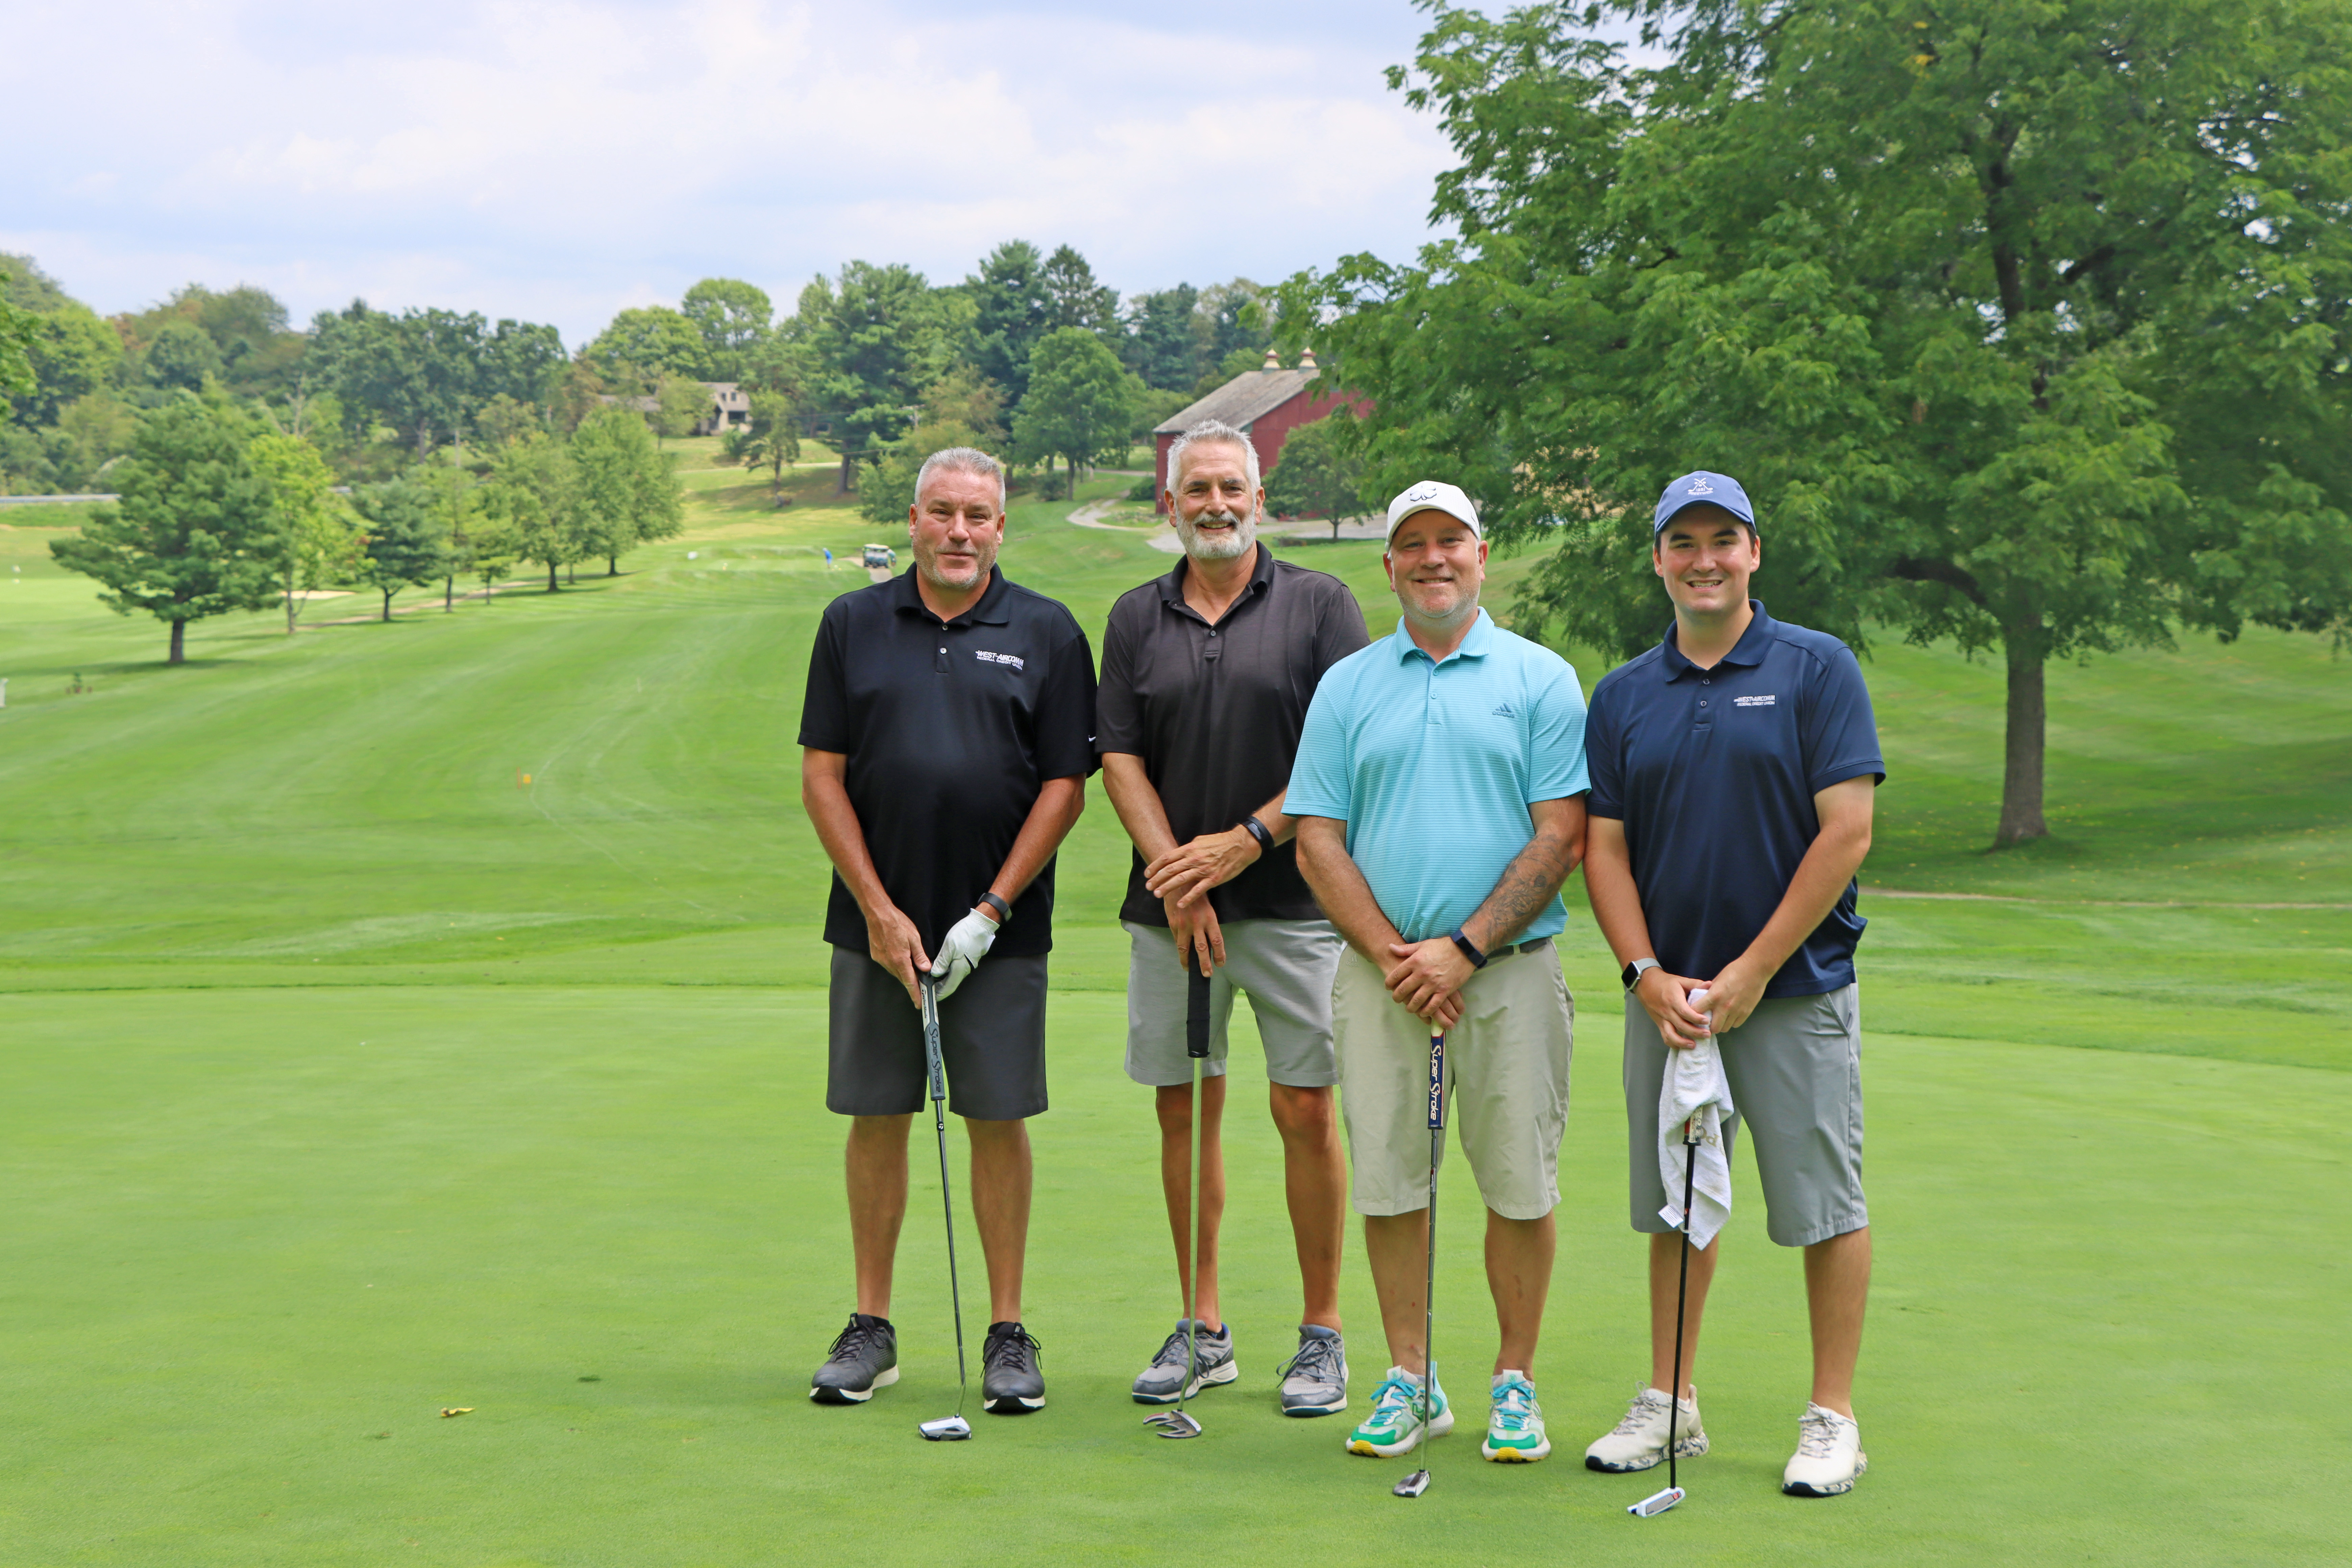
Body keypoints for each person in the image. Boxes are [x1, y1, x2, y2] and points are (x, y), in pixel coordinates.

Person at [1577, 471, 1882, 1497]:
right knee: (1676, 1204)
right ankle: (1672, 1402)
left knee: (1824, 1206)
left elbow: (1847, 830)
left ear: (1755, 551)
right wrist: (1643, 973)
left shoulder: (1814, 668)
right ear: (1658, 558)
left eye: (1723, 539)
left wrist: (1752, 971)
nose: (1703, 559)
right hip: (1669, 1006)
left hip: (1791, 992)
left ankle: (1833, 1417)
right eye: (1682, 542)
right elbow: (1604, 851)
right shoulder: (1624, 693)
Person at [1290, 480, 1589, 1465]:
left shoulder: (1541, 678)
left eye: (1449, 541)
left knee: (1519, 1184)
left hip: (1509, 972)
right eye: (1411, 545)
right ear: (1389, 566)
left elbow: (1562, 834)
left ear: (1481, 554)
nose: (1432, 560)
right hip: (1382, 981)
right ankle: (1411, 1378)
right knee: (1387, 1182)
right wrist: (1392, 953)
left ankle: (1515, 1381)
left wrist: (1460, 948)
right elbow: (1319, 839)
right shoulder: (1350, 684)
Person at [798, 446, 1096, 1415]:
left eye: (978, 515)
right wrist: (880, 910)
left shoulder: (1047, 631)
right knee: (877, 1112)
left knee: (997, 1116)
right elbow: (822, 774)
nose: (959, 532)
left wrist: (991, 910)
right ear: (914, 520)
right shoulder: (852, 624)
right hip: (874, 922)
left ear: (1002, 528)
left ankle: (1007, 1332)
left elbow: (1064, 786)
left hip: (999, 930)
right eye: (941, 513)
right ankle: (872, 1329)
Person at [1097, 419, 1369, 1416]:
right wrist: (1182, 877)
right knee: (1187, 1107)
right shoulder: (1136, 617)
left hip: (1296, 904)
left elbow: (1345, 752)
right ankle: (1203, 1328)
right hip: (1171, 914)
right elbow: (1118, 755)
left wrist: (1243, 844)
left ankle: (1323, 1333)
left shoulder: (1319, 605)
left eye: (1230, 488)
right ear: (1170, 504)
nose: (1214, 504)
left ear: (1259, 499)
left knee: (1304, 1107)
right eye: (1194, 489)